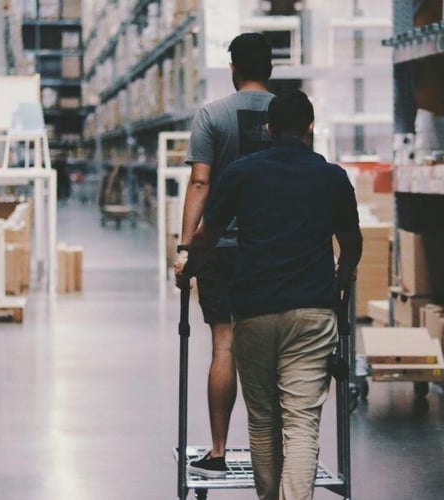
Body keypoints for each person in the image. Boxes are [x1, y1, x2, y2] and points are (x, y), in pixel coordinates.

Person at [179, 90, 363, 500]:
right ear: (311, 128)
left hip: (253, 310)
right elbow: (351, 244)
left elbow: (207, 236)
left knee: (263, 420)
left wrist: (188, 267)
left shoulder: (242, 173)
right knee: (301, 423)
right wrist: (342, 273)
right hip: (313, 313)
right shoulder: (332, 177)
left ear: (269, 129)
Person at [175, 33, 276, 478]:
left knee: (224, 344)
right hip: (272, 247)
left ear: (233, 67)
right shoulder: (289, 113)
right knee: (272, 347)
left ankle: (217, 453)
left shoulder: (212, 115)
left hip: (220, 247)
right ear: (270, 68)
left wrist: (184, 248)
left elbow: (200, 183)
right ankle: (272, 450)